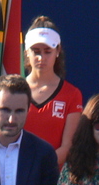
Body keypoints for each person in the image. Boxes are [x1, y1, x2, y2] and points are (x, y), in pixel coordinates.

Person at [22, 17, 82, 168]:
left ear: (58, 51)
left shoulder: (72, 94)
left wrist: (38, 166)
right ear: (27, 53)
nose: (41, 58)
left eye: (47, 51)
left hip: (54, 180)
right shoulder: (14, 91)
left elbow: (68, 146)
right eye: (36, 51)